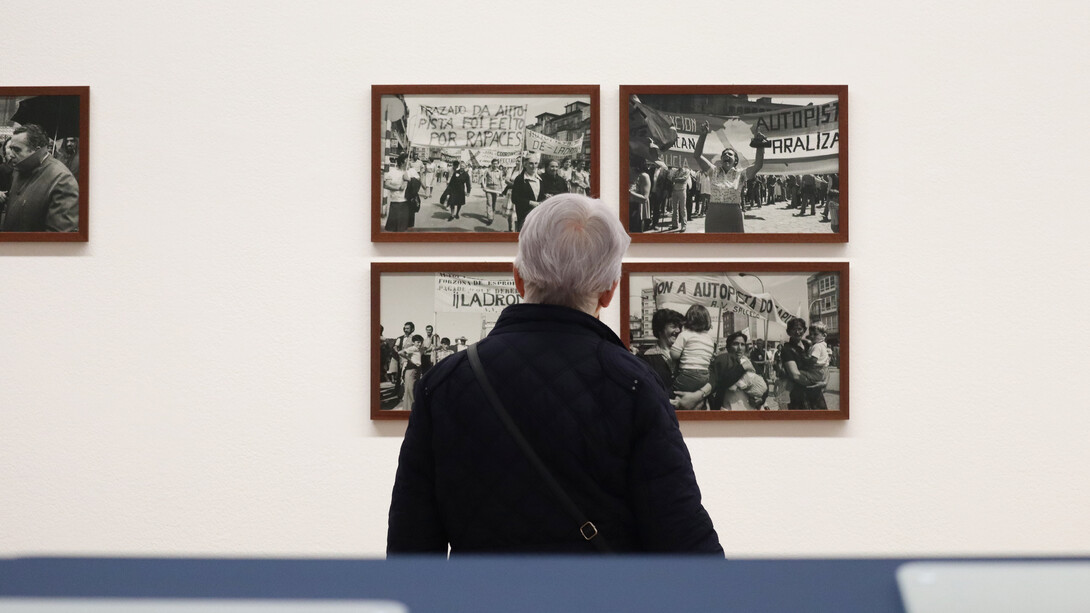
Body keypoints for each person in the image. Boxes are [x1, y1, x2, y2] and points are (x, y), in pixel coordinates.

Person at [389, 193, 722, 554]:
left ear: (518, 278)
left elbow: (411, 546)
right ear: (609, 291)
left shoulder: (443, 382)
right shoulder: (634, 383)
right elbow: (683, 537)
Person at [0, 124, 79, 232]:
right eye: (11, 148)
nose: (11, 155)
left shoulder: (62, 180)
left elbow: (57, 236)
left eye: (17, 150)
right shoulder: (20, 168)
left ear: (36, 150)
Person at [693, 121, 766, 233]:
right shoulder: (713, 171)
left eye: (730, 154)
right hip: (714, 214)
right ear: (721, 159)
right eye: (724, 154)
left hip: (733, 216)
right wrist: (703, 135)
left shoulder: (741, 174)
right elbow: (697, 156)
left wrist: (759, 144)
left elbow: (758, 165)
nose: (726, 155)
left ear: (735, 160)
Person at [778, 318, 829, 410]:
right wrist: (816, 383)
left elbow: (824, 365)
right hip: (799, 394)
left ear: (804, 330)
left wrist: (825, 382)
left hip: (815, 393)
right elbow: (795, 375)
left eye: (800, 329)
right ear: (788, 332)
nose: (797, 332)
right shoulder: (787, 349)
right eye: (794, 329)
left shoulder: (810, 345)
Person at [669, 305, 716, 402]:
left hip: (688, 374)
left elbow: (674, 355)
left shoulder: (685, 335)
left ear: (688, 320)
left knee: (671, 392)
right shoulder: (710, 339)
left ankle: (675, 403)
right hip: (705, 376)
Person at [637, 308, 685, 391]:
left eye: (680, 327)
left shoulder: (688, 353)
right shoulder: (644, 357)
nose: (678, 330)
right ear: (660, 329)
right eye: (673, 326)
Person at [502, 154, 543, 232]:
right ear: (525, 164)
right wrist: (530, 202)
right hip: (524, 214)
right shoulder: (520, 179)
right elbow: (515, 198)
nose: (533, 166)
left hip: (537, 215)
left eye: (536, 163)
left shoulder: (540, 179)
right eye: (531, 163)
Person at [383, 153, 414, 232]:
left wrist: (408, 180)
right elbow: (386, 185)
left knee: (403, 228)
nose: (410, 162)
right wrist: (398, 188)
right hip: (396, 202)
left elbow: (416, 184)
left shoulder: (409, 172)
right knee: (394, 228)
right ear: (403, 162)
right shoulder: (392, 172)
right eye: (408, 160)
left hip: (406, 202)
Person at [398, 334, 425, 410]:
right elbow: (400, 352)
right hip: (411, 371)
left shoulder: (418, 349)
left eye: (421, 342)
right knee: (410, 391)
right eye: (418, 342)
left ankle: (409, 409)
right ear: (413, 342)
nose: (419, 344)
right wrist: (410, 360)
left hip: (416, 370)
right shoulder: (413, 348)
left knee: (412, 390)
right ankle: (410, 409)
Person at [481, 159, 505, 225]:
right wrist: (484, 186)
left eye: (496, 163)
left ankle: (492, 215)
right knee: (489, 203)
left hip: (496, 189)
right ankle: (490, 218)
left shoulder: (499, 172)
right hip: (489, 188)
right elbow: (482, 178)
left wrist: (502, 189)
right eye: (494, 163)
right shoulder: (487, 171)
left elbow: (501, 180)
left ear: (498, 164)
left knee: (494, 203)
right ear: (491, 164)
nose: (495, 165)